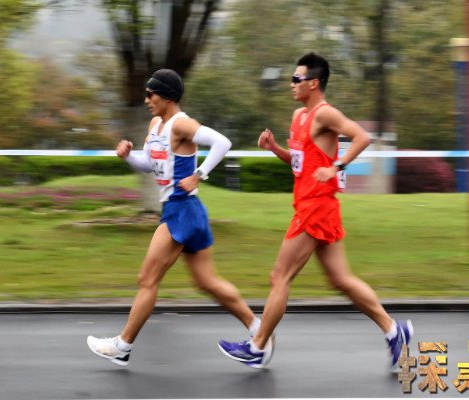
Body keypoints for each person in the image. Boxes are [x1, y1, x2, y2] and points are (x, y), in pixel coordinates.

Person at [217, 53, 413, 369]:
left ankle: (258, 346)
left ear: (314, 83)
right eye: (292, 78)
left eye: (297, 79)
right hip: (313, 206)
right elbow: (300, 163)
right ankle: (394, 331)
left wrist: (336, 166)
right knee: (341, 280)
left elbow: (362, 137)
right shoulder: (299, 116)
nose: (292, 84)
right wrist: (274, 149)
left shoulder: (325, 114)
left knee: (279, 276)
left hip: (316, 208)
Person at [87, 69, 260, 366]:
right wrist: (128, 157)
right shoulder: (156, 124)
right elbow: (150, 165)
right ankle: (260, 332)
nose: (146, 100)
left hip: (181, 210)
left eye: (150, 94)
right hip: (186, 211)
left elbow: (222, 142)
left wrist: (199, 174)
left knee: (147, 279)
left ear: (166, 96)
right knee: (207, 282)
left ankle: (122, 346)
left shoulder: (182, 124)